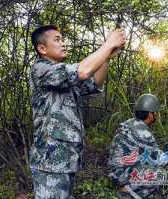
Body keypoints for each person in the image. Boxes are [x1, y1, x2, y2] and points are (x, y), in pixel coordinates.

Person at [28, 25, 126, 199]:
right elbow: (83, 71)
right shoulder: (41, 69)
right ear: (42, 48)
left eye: (62, 39)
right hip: (49, 162)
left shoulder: (64, 78)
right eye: (57, 40)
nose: (63, 44)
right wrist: (108, 44)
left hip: (67, 160)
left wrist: (106, 57)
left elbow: (95, 83)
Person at [108, 94, 168, 199]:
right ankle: (126, 193)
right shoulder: (143, 133)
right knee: (159, 173)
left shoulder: (129, 123)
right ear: (150, 114)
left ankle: (130, 188)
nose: (158, 114)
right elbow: (159, 159)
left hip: (114, 171)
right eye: (157, 112)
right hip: (121, 176)